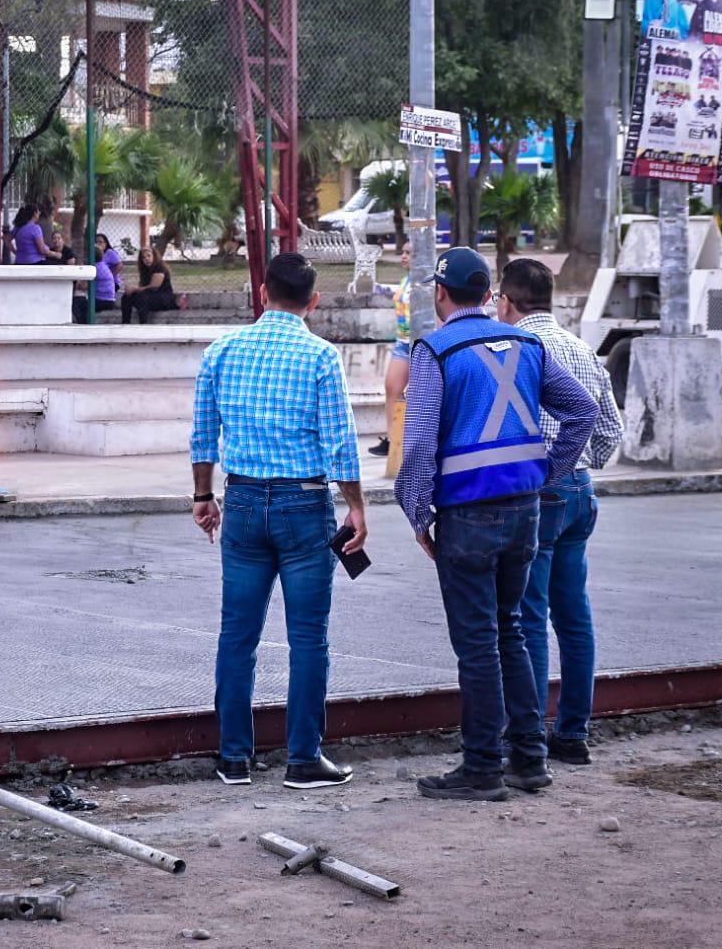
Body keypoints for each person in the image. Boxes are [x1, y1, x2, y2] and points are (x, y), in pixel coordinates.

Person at [394, 247, 598, 802]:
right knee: (510, 629)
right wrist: (548, 474)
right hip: (525, 511)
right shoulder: (529, 345)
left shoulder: (436, 350)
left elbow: (416, 444)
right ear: (488, 295)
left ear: (441, 293)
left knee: (478, 643)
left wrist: (417, 514)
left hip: (469, 517)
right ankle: (529, 759)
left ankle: (483, 766)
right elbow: (583, 411)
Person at [190, 252, 367, 791]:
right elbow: (340, 444)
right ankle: (303, 759)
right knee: (308, 639)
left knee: (237, 636)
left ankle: (234, 759)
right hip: (303, 506)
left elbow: (203, 433)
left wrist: (203, 495)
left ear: (262, 292)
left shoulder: (223, 351)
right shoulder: (320, 357)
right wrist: (356, 506)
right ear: (314, 302)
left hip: (241, 503)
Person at [496, 258, 623, 766]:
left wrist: (545, 473)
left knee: (528, 617)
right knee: (574, 616)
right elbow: (610, 430)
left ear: (506, 301)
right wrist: (578, 467)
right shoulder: (583, 350)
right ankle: (573, 733)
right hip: (580, 494)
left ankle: (527, 738)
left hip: (539, 493)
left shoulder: (519, 351)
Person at [369, 246, 414, 458]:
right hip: (403, 341)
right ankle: (394, 438)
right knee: (392, 386)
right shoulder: (407, 280)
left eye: (409, 253)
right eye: (403, 252)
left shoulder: (427, 282)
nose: (403, 256)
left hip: (421, 343)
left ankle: (412, 439)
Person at [121, 247, 178, 324]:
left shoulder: (160, 267)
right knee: (126, 296)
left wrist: (135, 289)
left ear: (154, 256)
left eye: (149, 256)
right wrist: (130, 290)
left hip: (164, 298)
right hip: (150, 296)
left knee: (142, 298)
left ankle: (143, 325)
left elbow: (154, 286)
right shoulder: (145, 269)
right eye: (143, 257)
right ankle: (125, 323)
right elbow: (144, 288)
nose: (146, 259)